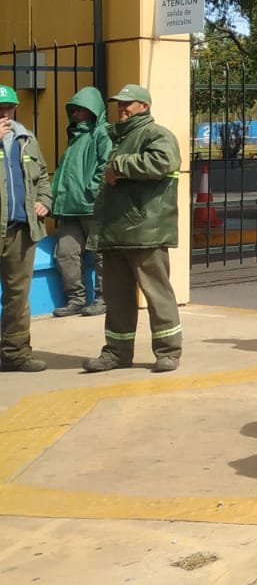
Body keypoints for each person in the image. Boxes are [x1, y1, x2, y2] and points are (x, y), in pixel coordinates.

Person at [83, 85, 182, 374]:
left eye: (129, 103)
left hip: (146, 232)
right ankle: (116, 352)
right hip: (115, 231)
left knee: (157, 294)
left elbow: (164, 161)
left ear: (145, 107)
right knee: (116, 297)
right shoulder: (119, 136)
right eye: (119, 104)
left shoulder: (156, 134)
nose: (122, 108)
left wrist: (121, 164)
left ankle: (168, 352)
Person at [0, 86, 53, 373]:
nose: (4, 114)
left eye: (8, 107)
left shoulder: (26, 138)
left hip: (21, 230)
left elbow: (42, 174)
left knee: (17, 297)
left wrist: (45, 200)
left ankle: (15, 354)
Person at [50, 87, 111, 318]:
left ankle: (103, 298)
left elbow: (106, 165)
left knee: (101, 255)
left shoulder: (102, 133)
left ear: (93, 111)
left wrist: (92, 191)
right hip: (69, 208)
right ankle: (75, 298)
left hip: (91, 207)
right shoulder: (75, 137)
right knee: (65, 254)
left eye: (81, 109)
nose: (75, 113)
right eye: (74, 109)